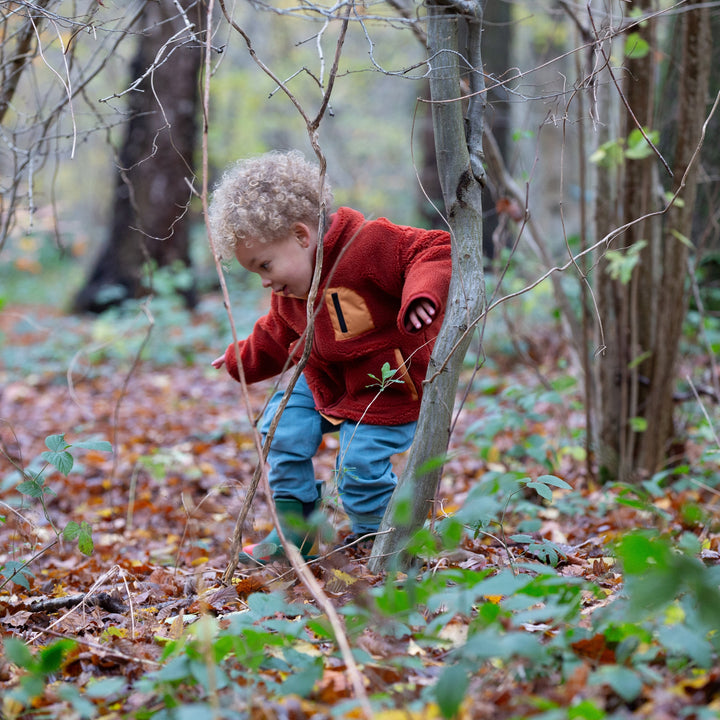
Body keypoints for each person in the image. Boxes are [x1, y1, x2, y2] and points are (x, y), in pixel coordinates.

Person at [209, 150, 452, 564]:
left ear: (302, 237)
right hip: (324, 378)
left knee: (357, 466)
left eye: (265, 265)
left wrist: (420, 295)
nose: (265, 280)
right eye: (256, 273)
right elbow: (273, 335)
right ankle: (295, 537)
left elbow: (433, 248)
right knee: (279, 430)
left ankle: (379, 541)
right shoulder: (289, 293)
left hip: (386, 385)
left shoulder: (368, 245)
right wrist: (238, 359)